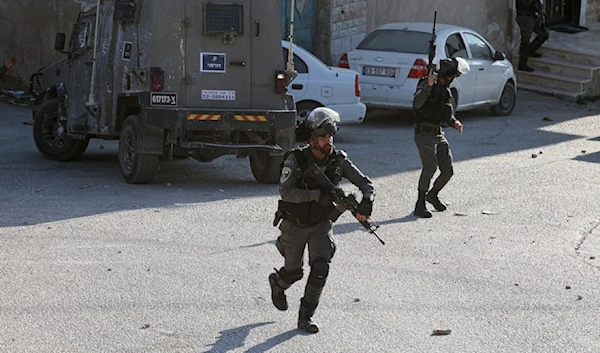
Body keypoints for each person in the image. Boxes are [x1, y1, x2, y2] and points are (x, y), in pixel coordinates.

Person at [269, 107, 375, 334]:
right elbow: (285, 192)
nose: (329, 141)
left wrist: (367, 200)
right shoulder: (296, 159)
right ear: (312, 139)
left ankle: (305, 317)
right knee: (293, 272)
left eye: (331, 136)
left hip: (320, 224)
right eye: (323, 137)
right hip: (295, 223)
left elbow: (365, 182)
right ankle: (277, 284)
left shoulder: (338, 160)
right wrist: (317, 196)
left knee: (320, 268)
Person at [412, 57, 470, 218]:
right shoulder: (426, 84)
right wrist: (428, 87)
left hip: (437, 133)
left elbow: (446, 114)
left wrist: (454, 122)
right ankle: (420, 203)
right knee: (430, 166)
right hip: (423, 133)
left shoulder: (445, 91)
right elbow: (417, 104)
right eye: (451, 77)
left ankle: (433, 195)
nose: (452, 80)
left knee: (447, 170)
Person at [516, 0, 549, 72]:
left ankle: (531, 51)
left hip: (534, 16)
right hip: (525, 17)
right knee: (525, 41)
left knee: (543, 35)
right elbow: (527, 3)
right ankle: (522, 64)